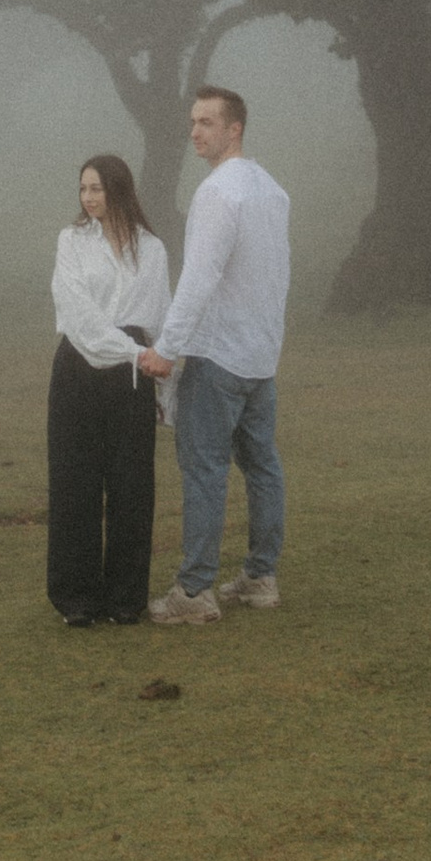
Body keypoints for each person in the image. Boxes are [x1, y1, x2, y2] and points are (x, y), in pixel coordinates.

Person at [138, 88, 288, 621]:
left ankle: (195, 591)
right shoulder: (271, 190)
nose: (196, 131)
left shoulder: (219, 192)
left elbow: (200, 277)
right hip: (258, 356)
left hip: (219, 355)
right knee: (262, 465)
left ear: (235, 129)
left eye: (207, 122)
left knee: (205, 469)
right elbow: (273, 278)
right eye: (193, 122)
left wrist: (168, 349)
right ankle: (259, 577)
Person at [46, 154, 170, 627]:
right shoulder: (72, 242)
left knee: (131, 486)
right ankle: (76, 599)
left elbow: (159, 321)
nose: (89, 198)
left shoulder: (152, 249)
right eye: (83, 189)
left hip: (135, 376)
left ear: (119, 189)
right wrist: (133, 352)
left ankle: (125, 598)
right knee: (74, 483)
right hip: (80, 367)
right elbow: (77, 313)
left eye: (97, 188)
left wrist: (160, 380)